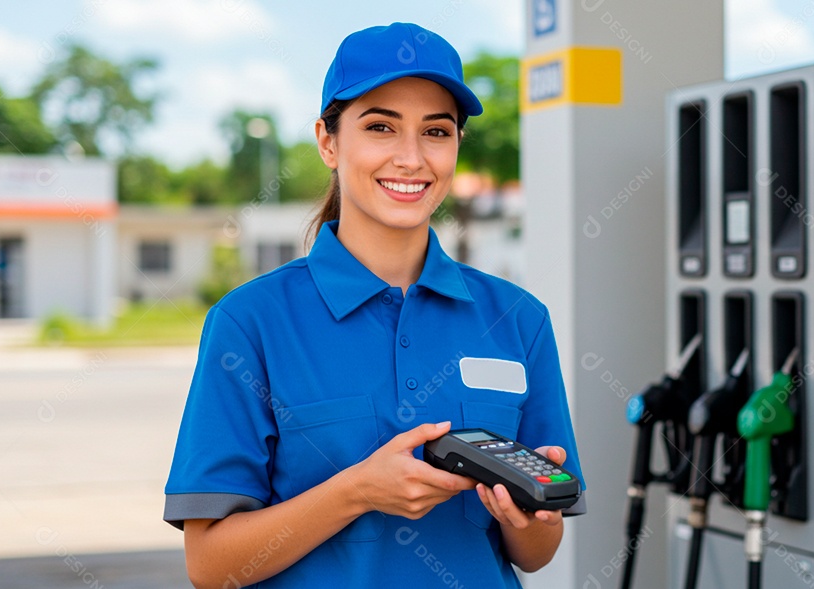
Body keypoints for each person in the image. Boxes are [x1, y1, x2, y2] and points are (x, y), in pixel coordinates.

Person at [163, 22, 587, 588]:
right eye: (381, 126)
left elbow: (537, 552)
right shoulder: (251, 322)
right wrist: (357, 491)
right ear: (328, 141)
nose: (411, 158)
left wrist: (528, 516)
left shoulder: (518, 317)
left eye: (436, 132)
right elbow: (211, 566)